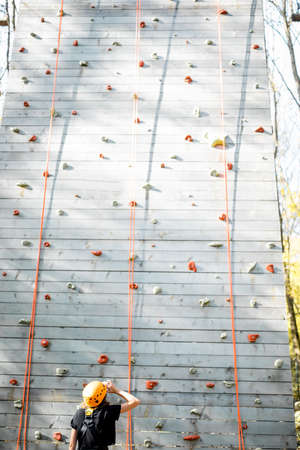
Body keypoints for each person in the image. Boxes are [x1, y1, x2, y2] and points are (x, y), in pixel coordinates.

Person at [69, 379, 140, 450]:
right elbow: (135, 401)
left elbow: (71, 445)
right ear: (103, 397)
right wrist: (116, 391)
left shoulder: (79, 414)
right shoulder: (108, 411)